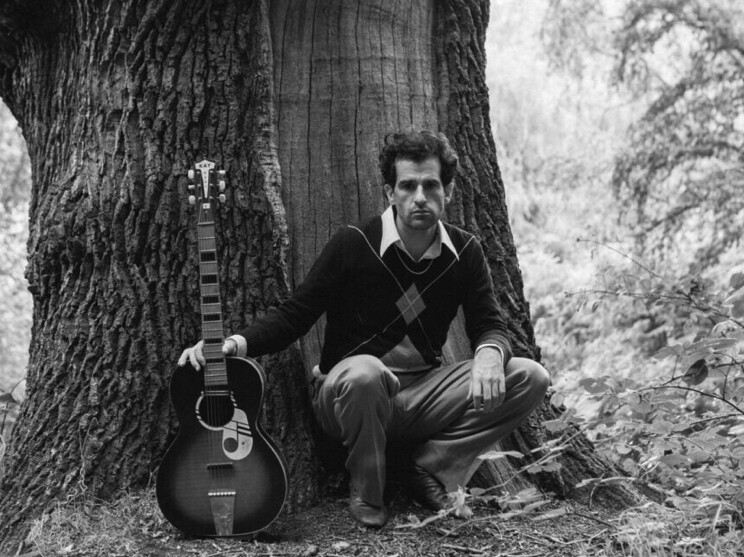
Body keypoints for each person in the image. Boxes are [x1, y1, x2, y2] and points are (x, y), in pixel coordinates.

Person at [179, 131, 550, 528]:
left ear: (449, 191)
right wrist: (232, 344)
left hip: (421, 394)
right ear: (390, 192)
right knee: (366, 373)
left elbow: (489, 323)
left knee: (529, 376)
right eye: (408, 186)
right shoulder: (354, 243)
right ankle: (368, 490)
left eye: (431, 185)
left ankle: (430, 466)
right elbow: (295, 315)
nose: (420, 197)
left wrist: (490, 354)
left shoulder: (465, 251)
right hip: (346, 395)